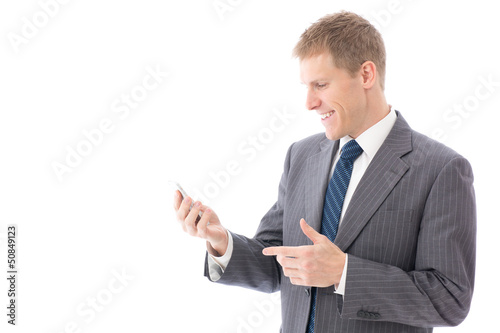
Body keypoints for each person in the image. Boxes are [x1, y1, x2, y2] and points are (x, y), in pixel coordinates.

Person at [173, 11, 476, 333]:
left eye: (320, 84)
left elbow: (449, 299)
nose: (309, 103)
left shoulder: (441, 169)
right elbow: (278, 264)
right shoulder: (302, 155)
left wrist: (344, 272)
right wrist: (221, 241)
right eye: (306, 86)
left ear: (366, 75)